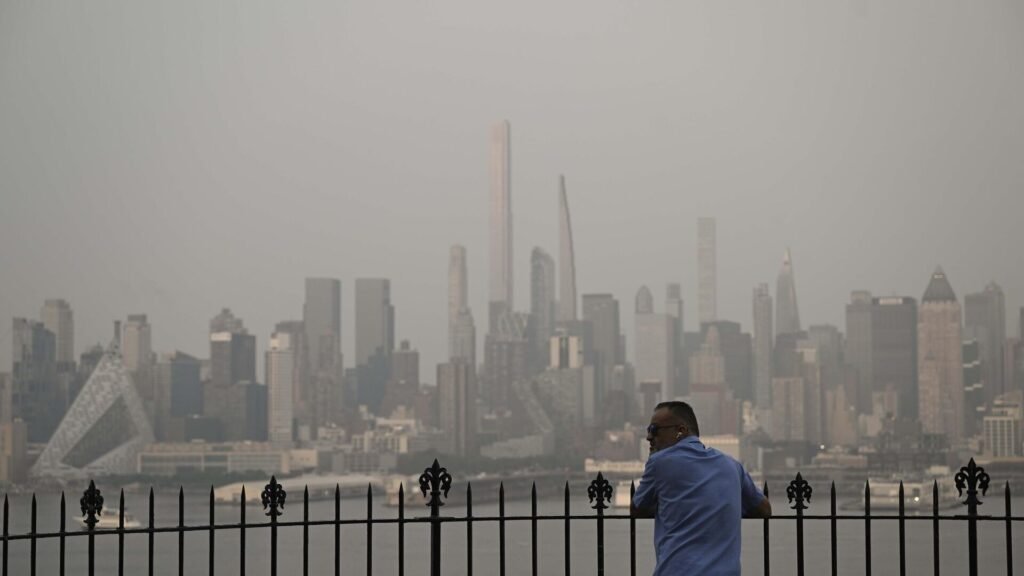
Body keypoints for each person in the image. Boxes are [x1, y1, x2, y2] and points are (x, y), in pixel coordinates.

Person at [631, 401, 771, 575]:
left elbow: (636, 509)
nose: (649, 437)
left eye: (654, 430)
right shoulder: (732, 465)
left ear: (680, 430)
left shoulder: (659, 462)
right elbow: (764, 510)